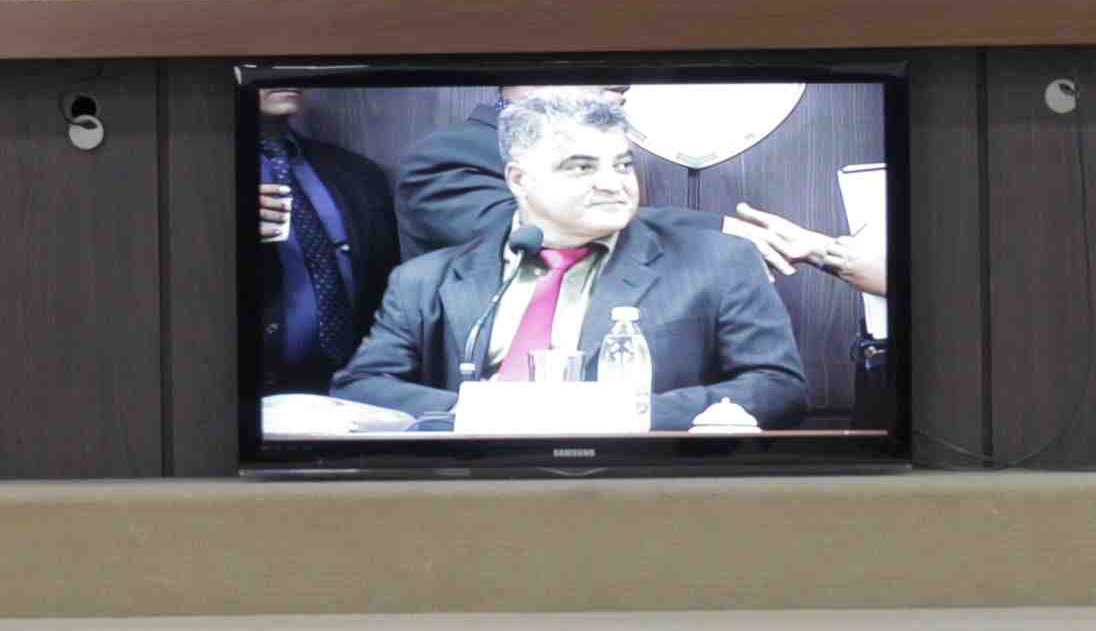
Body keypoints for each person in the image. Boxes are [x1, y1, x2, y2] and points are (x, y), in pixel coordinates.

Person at [332, 89, 806, 430]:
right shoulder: (424, 280)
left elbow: (777, 387)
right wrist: (479, 413)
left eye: (622, 164)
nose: (613, 184)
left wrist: (626, 415)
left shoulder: (717, 261)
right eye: (581, 167)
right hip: (475, 490)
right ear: (518, 179)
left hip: (646, 487)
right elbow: (361, 386)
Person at [253, 86, 399, 396]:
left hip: (352, 391)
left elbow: (385, 286)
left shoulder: (358, 175)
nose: (285, 73)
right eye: (264, 63)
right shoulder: (196, 182)